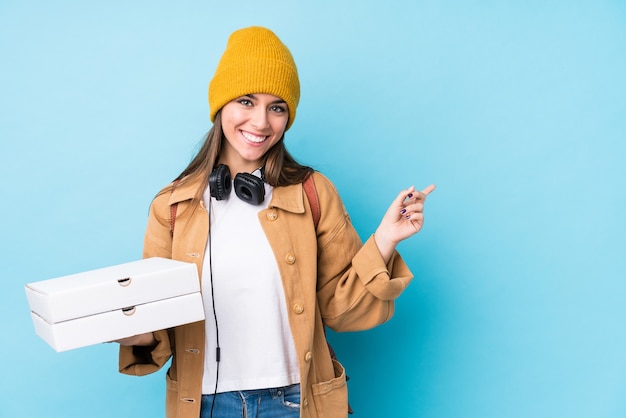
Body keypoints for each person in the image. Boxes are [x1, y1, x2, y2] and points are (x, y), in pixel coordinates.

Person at [117, 26, 435, 418]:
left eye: (277, 107)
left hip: (294, 400)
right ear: (220, 106)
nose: (261, 122)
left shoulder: (312, 192)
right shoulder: (173, 206)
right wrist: (130, 329)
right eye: (246, 101)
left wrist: (385, 239)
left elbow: (341, 310)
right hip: (204, 404)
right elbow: (158, 327)